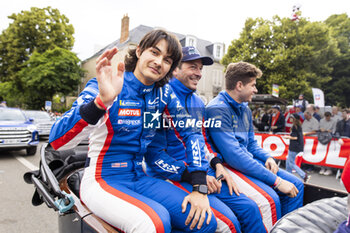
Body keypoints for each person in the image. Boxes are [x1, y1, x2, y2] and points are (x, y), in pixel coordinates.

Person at [49, 30, 217, 233]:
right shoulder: (108, 83)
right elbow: (58, 141)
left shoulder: (164, 94)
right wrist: (101, 103)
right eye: (154, 52)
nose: (158, 62)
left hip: (139, 175)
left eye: (167, 60)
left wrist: (199, 186)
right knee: (155, 222)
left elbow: (191, 133)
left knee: (205, 223)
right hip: (102, 179)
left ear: (170, 68)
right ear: (139, 51)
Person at [145, 46, 266, 233]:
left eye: (200, 68)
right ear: (175, 69)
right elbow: (153, 154)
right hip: (173, 176)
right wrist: (195, 176)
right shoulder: (157, 98)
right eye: (193, 67)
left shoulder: (198, 102)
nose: (199, 73)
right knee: (227, 223)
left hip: (202, 172)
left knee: (249, 209)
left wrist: (218, 164)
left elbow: (203, 140)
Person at [205, 62, 304, 227]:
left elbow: (251, 144)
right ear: (239, 85)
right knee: (271, 197)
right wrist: (277, 181)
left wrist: (267, 157)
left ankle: (286, 230)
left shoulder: (244, 108)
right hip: (230, 166)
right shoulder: (217, 109)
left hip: (245, 162)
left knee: (297, 185)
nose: (256, 90)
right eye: (253, 85)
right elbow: (234, 156)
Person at [284, 113, 310, 182]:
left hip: (294, 146)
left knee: (291, 163)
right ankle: (288, 176)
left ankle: (304, 175)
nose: (290, 118)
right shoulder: (298, 126)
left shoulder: (295, 127)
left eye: (291, 117)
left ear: (294, 119)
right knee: (288, 162)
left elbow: (295, 137)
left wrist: (287, 137)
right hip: (296, 146)